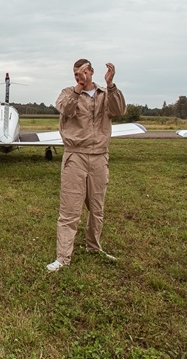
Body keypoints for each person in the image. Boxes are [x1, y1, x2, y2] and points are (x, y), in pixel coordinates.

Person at [47, 60, 127, 272]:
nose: (78, 75)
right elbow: (66, 109)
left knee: (97, 207)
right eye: (75, 73)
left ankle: (94, 247)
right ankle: (63, 257)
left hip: (100, 156)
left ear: (92, 72)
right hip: (76, 156)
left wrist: (111, 85)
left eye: (82, 72)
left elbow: (119, 111)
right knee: (69, 209)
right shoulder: (68, 92)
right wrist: (78, 88)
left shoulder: (105, 93)